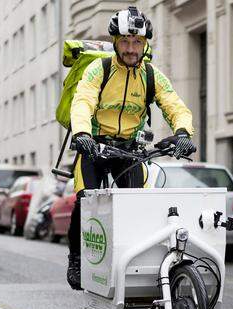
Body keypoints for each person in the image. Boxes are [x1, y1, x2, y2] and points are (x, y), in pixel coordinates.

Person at [66, 6, 196, 289]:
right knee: (85, 201)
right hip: (95, 147)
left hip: (129, 150)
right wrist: (83, 133)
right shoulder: (98, 69)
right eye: (125, 41)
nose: (130, 48)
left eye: (137, 42)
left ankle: (130, 262)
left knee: (136, 206)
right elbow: (83, 101)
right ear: (115, 42)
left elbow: (174, 105)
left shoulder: (151, 75)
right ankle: (76, 257)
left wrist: (183, 132)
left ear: (145, 43)